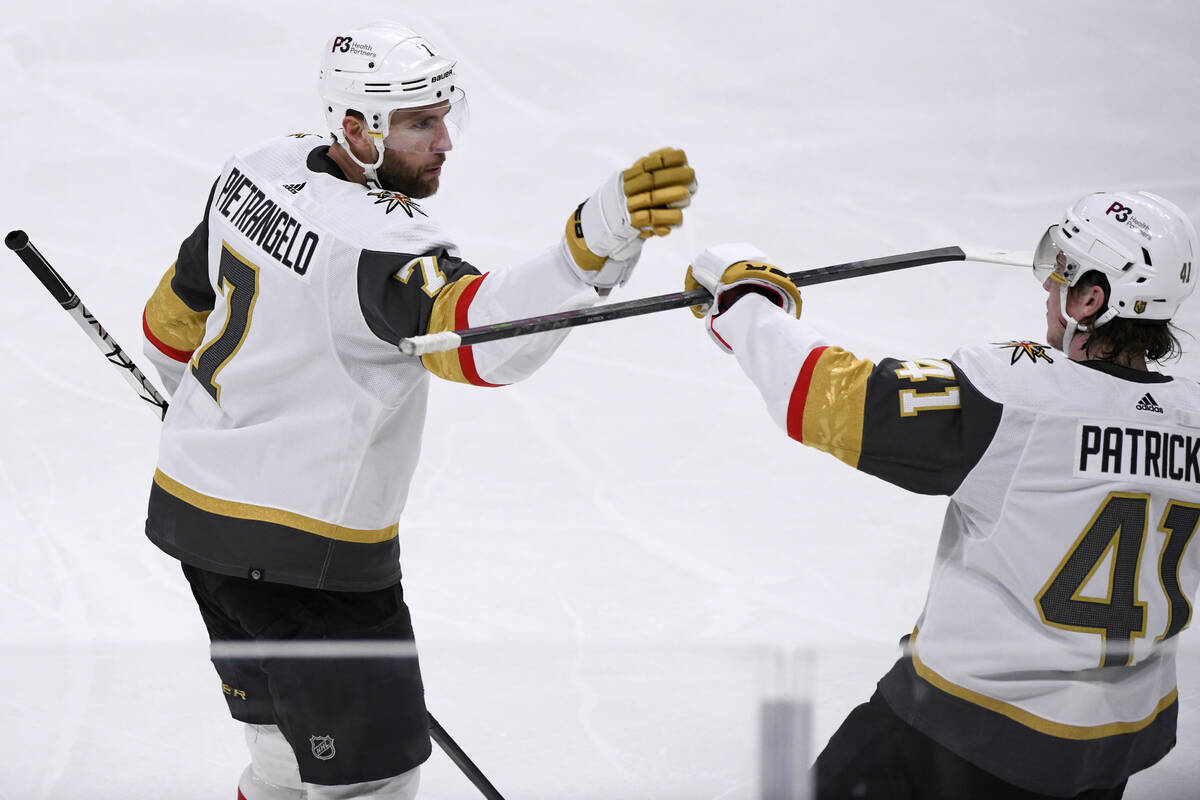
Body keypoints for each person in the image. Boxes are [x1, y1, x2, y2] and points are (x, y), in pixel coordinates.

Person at [139, 20, 696, 800]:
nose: (443, 141)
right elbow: (483, 342)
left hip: (195, 520)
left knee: (280, 763)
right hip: (311, 565)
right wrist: (585, 252)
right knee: (373, 786)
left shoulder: (254, 169)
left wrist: (193, 417)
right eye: (419, 123)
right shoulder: (380, 243)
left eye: (444, 115)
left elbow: (175, 315)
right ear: (356, 128)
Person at [683, 191, 1200, 799]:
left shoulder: (1016, 396)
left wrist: (748, 305)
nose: (1046, 289)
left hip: (959, 734)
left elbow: (831, 400)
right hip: (1104, 757)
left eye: (1062, 271)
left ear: (1092, 299)